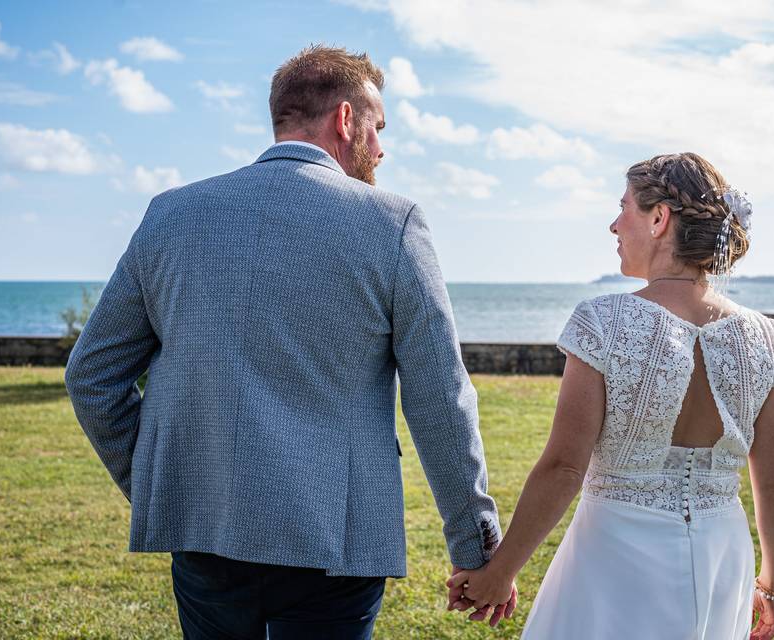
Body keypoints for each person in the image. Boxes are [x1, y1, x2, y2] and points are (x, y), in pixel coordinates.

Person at [64, 45, 513, 639]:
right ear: (346, 119)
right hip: (339, 539)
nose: (381, 149)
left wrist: (162, 484)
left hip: (206, 530)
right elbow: (439, 400)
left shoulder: (171, 215)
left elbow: (91, 374)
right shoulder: (394, 224)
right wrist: (475, 545)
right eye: (378, 129)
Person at [449, 152, 774, 640]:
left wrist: (500, 571)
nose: (614, 226)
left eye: (624, 207)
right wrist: (772, 585)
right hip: (723, 556)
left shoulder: (604, 322)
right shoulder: (765, 337)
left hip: (617, 554)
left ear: (659, 219)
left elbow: (565, 466)